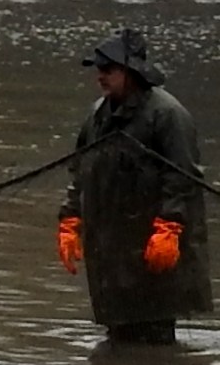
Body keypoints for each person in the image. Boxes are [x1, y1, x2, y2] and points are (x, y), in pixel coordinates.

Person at [60, 28, 210, 344]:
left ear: (131, 71)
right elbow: (80, 171)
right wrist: (70, 218)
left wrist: (170, 226)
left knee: (154, 334)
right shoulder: (97, 115)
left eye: (109, 70)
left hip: (151, 242)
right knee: (117, 335)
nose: (100, 77)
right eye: (98, 70)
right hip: (110, 246)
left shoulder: (167, 115)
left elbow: (184, 176)